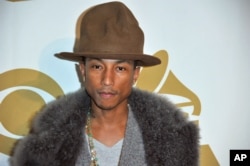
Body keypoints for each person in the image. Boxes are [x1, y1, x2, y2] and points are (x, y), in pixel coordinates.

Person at [11, 1, 199, 166]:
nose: (107, 80)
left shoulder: (171, 141)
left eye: (120, 69)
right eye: (97, 67)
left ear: (135, 74)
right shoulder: (48, 143)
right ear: (83, 70)